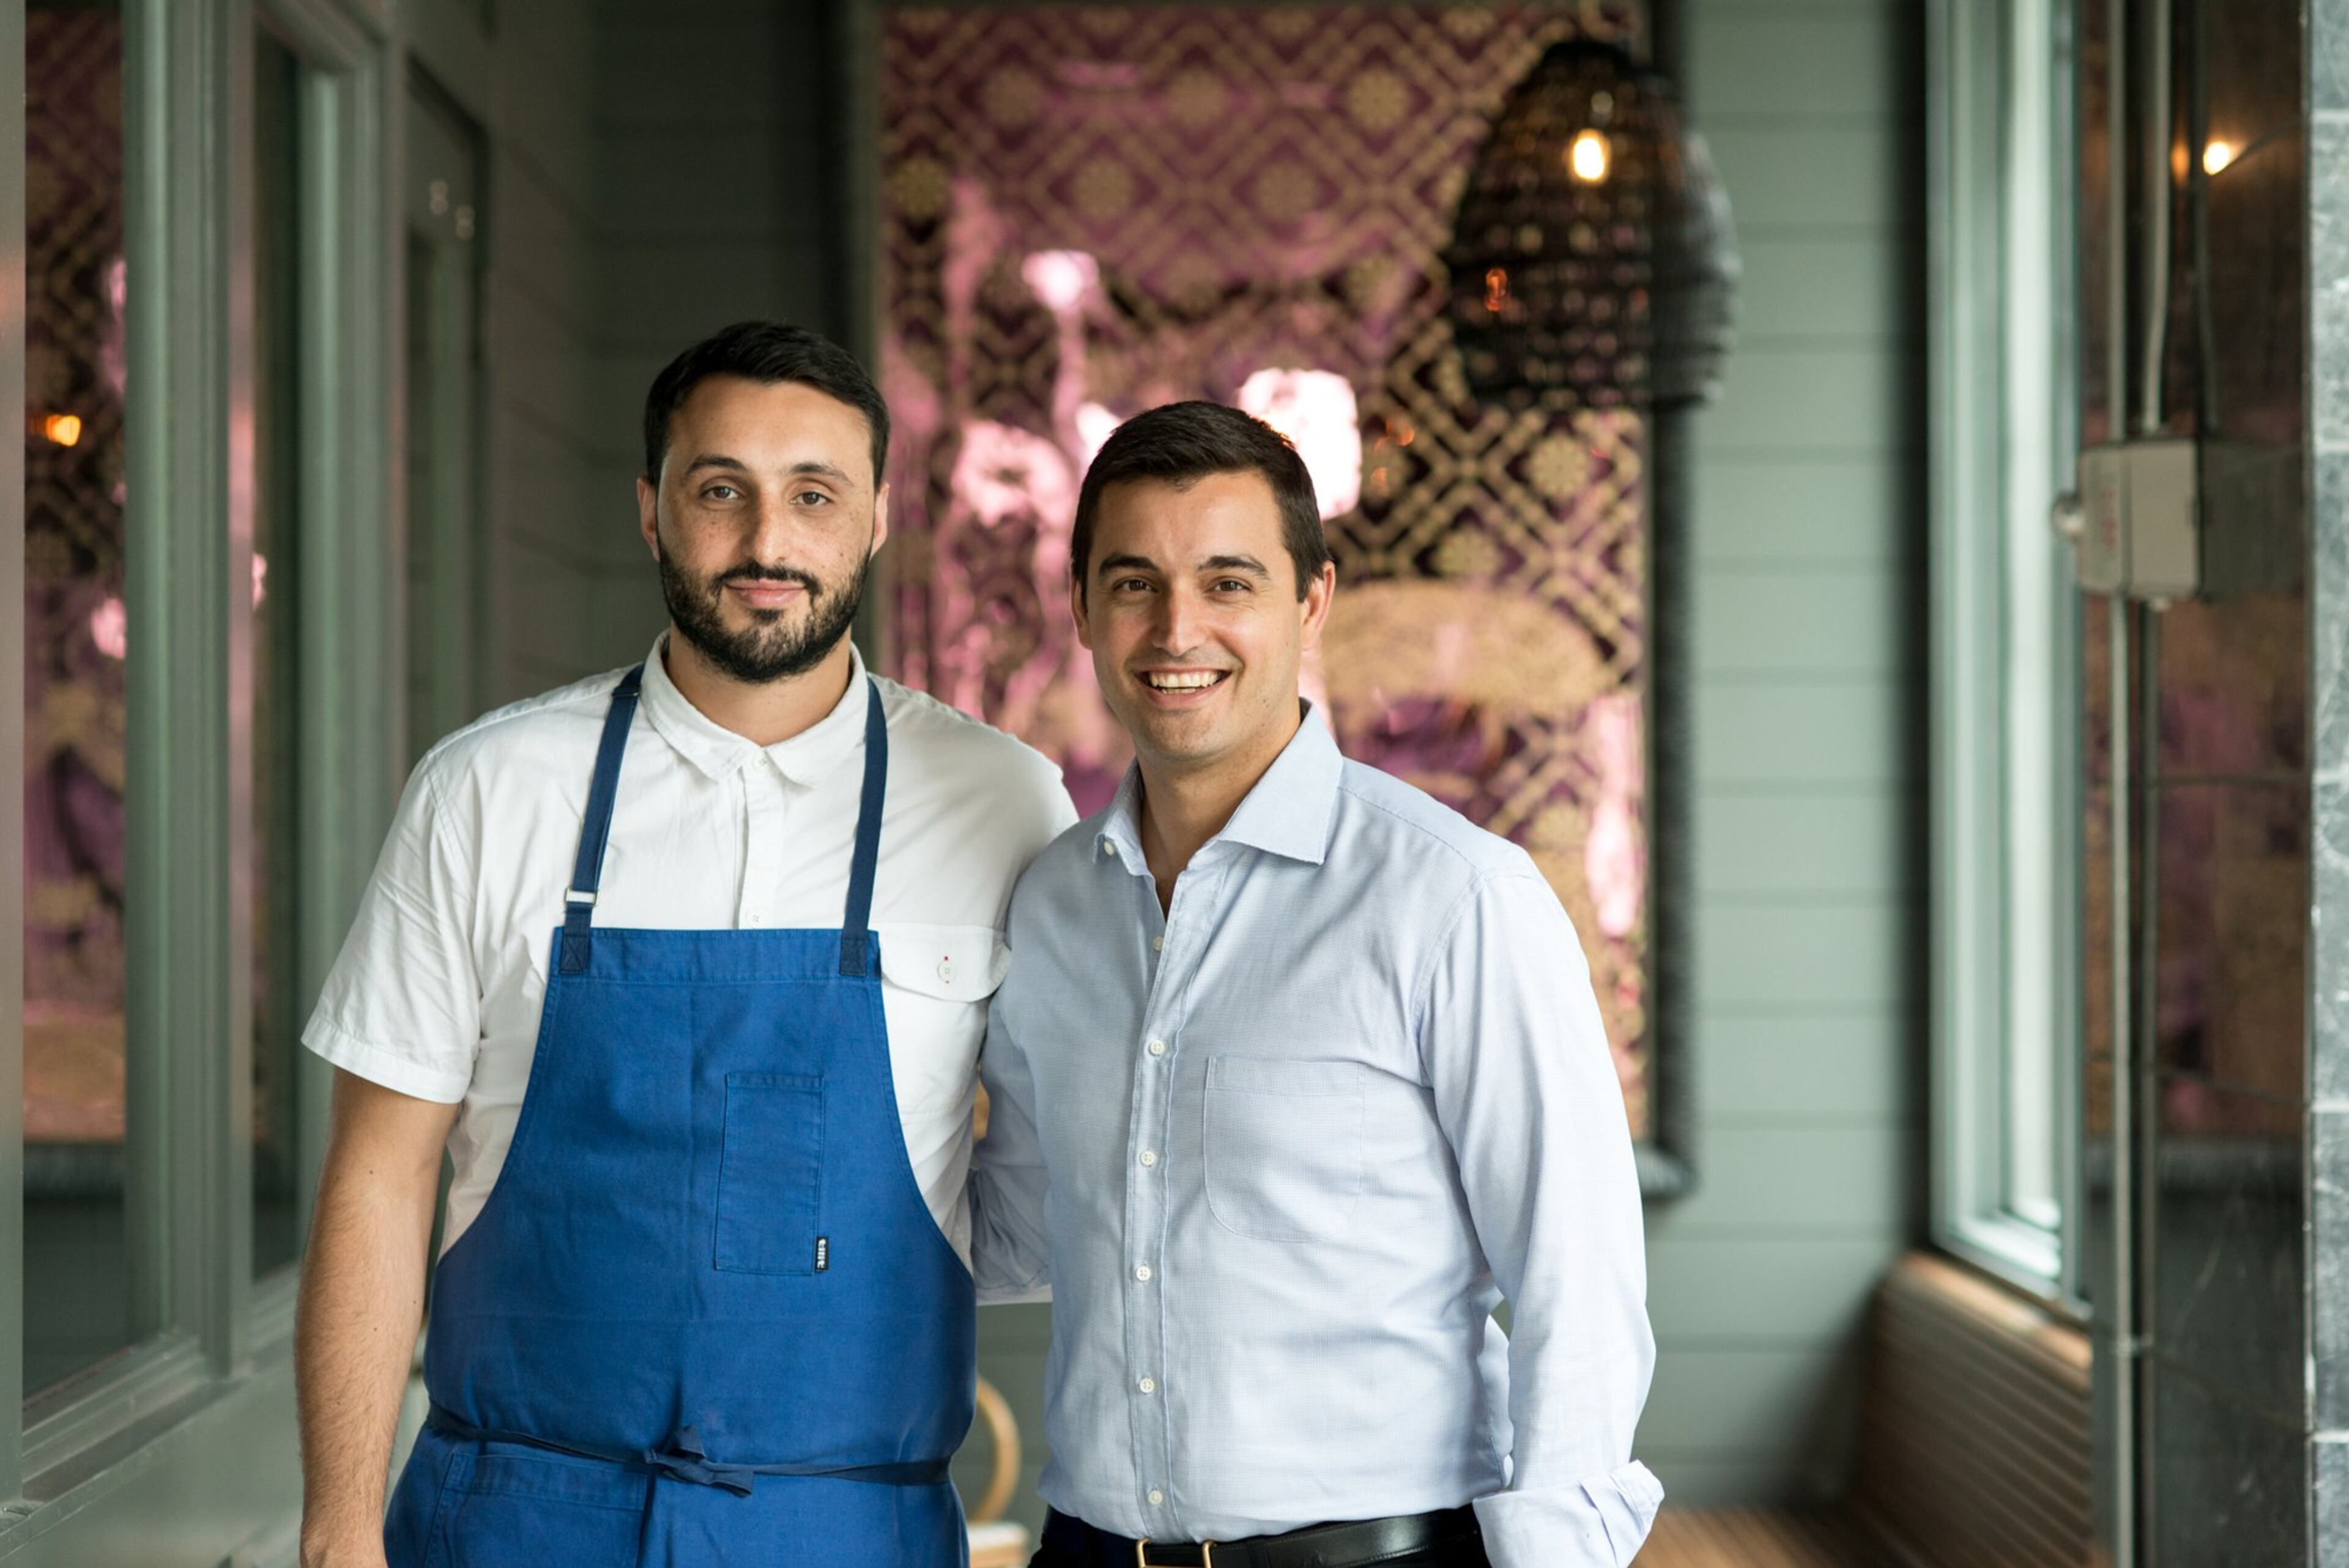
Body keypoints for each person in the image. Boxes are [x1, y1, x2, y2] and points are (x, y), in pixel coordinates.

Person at [294, 321, 1075, 1568]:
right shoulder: (488, 789)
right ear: (652, 512)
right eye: (721, 490)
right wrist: (339, 1532)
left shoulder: (1005, 802)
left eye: (814, 494)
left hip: (849, 1529)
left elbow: (1050, 1179)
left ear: (878, 518)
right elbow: (378, 1177)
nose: (768, 541)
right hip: (515, 1517)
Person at [971, 401, 1660, 1568]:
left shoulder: (1455, 899)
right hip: (1087, 1550)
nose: (1176, 629)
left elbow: (1576, 1282)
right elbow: (1026, 1226)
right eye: (1134, 584)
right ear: (1081, 608)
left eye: (1228, 583)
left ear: (1312, 601)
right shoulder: (1049, 907)